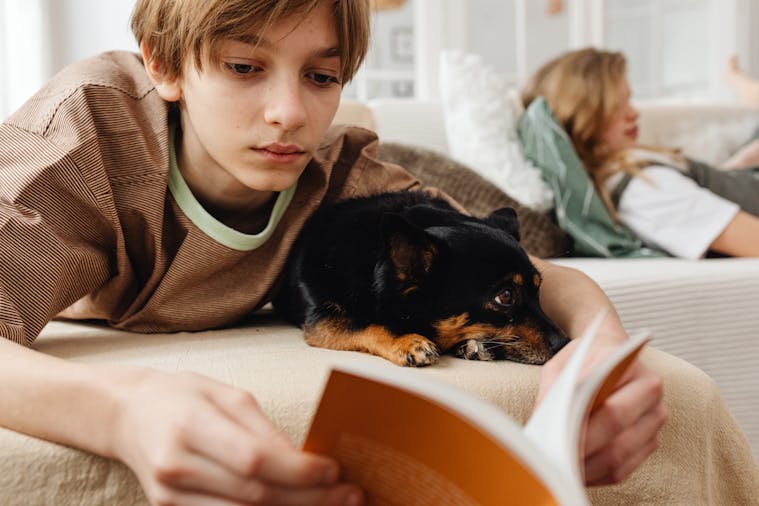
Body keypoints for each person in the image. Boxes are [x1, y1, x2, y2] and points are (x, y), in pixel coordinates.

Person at [0, 2, 666, 504]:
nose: (290, 113)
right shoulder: (85, 136)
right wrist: (118, 410)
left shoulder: (337, 169)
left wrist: (599, 341)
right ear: (164, 63)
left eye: (322, 75)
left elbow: (523, 270)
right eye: (243, 66)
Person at [522, 47, 759, 259]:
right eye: (618, 104)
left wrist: (745, 159)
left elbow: (713, 188)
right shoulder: (643, 191)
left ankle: (741, 85)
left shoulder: (629, 171)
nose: (633, 113)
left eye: (629, 100)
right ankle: (739, 83)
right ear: (583, 113)